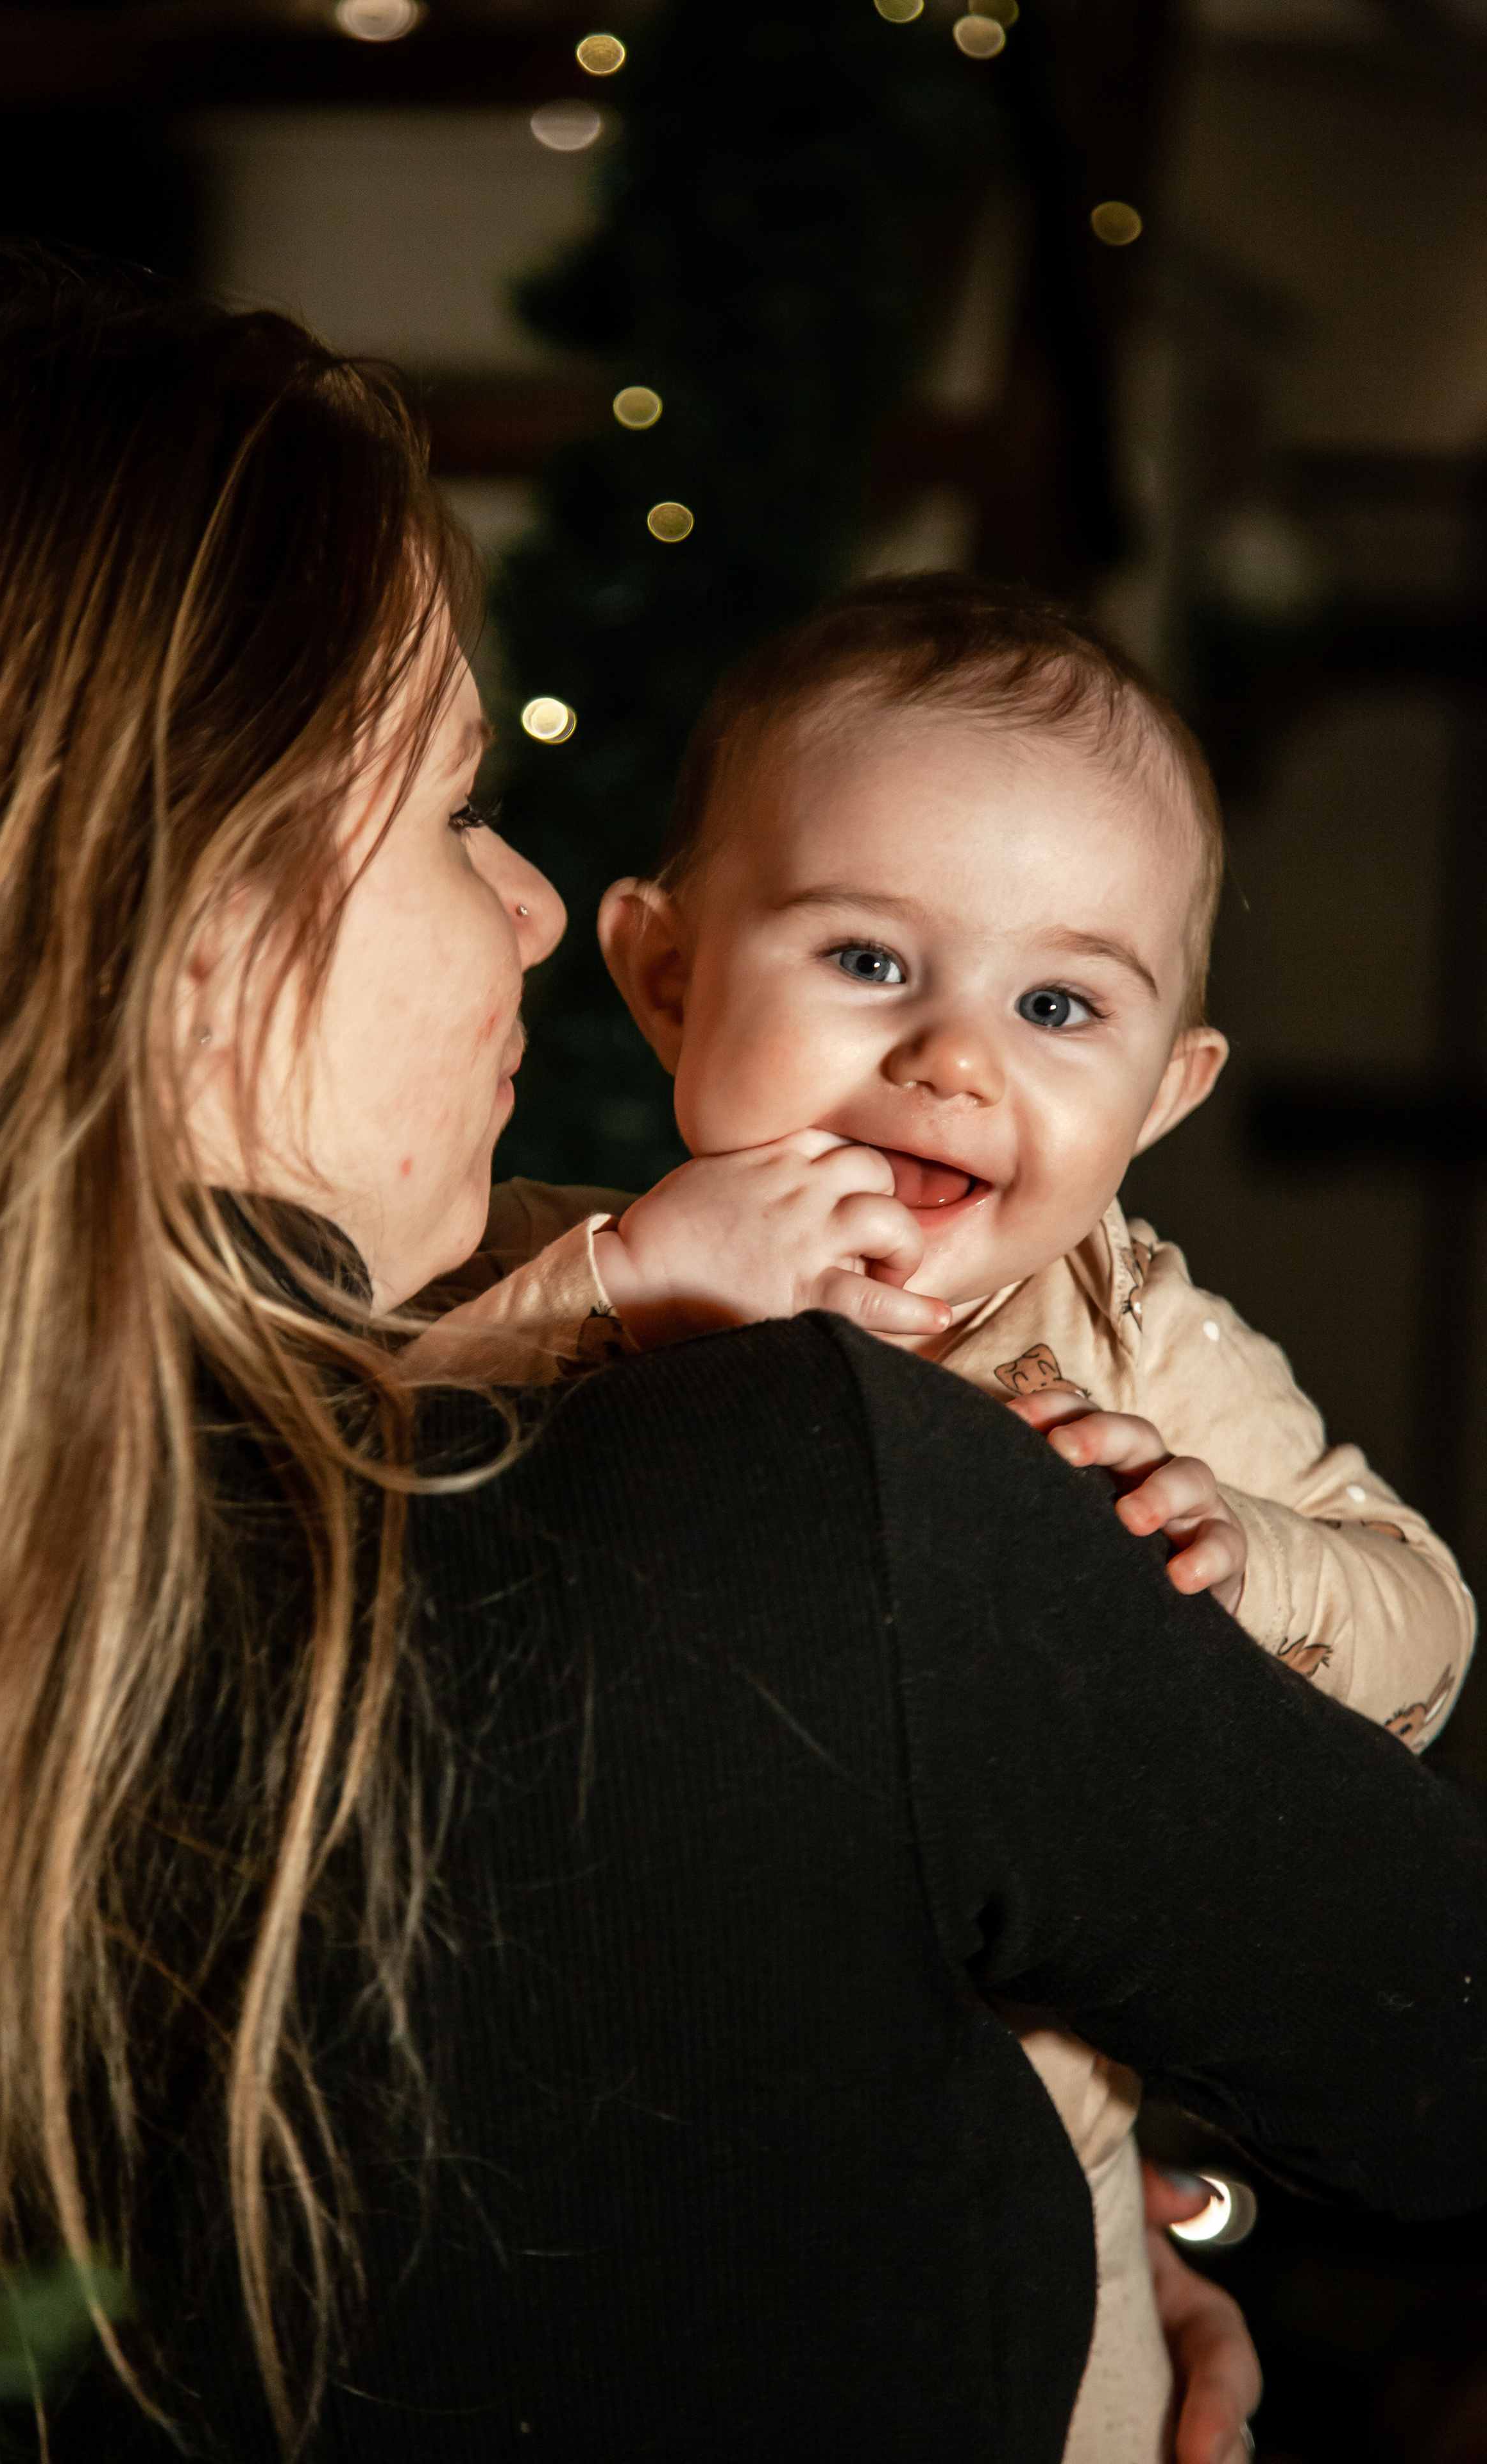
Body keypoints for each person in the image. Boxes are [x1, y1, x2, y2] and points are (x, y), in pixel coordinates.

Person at [0, 245, 1483, 2464]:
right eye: (446, 813)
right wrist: (1057, 2194)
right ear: (192, 932)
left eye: (1065, 1003)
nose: (528, 901)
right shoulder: (815, 1501)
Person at [400, 577, 1475, 2462]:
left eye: (1060, 1005)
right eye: (872, 963)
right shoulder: (550, 1263)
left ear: (1166, 1094)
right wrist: (614, 1291)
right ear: (667, 976)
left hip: (1054, 2197)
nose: (959, 1060)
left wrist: (1228, 1548)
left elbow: (1424, 1622)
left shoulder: (1145, 1341)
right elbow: (340, 1508)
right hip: (650, 2192)